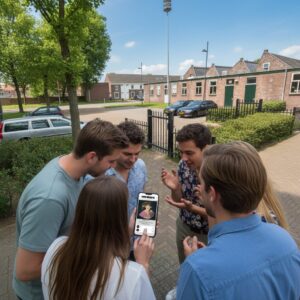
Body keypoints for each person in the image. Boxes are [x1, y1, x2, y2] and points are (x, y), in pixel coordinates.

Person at [13, 119, 129, 300]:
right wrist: (94, 256)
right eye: (111, 161)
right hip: (40, 294)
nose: (114, 167)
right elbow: (26, 270)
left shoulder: (75, 170)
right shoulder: (50, 198)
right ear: (91, 157)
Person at [177, 143, 300, 300]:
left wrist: (199, 262)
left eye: (201, 182)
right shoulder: (285, 239)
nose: (199, 188)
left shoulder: (197, 270)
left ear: (212, 193)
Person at [41, 176, 155, 300]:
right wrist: (143, 264)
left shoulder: (56, 247)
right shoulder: (133, 275)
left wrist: (127, 232)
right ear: (119, 217)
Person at [161, 123, 212, 264]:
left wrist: (193, 209)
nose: (183, 158)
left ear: (205, 149)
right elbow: (180, 201)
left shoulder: (218, 171)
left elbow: (223, 214)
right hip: (184, 227)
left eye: (189, 153)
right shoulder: (183, 165)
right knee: (185, 267)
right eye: (181, 152)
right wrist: (175, 188)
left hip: (208, 234)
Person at [106, 121, 147, 218]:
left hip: (137, 231)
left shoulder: (141, 166)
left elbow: (141, 194)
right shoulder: (102, 174)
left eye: (137, 153)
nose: (133, 160)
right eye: (127, 154)